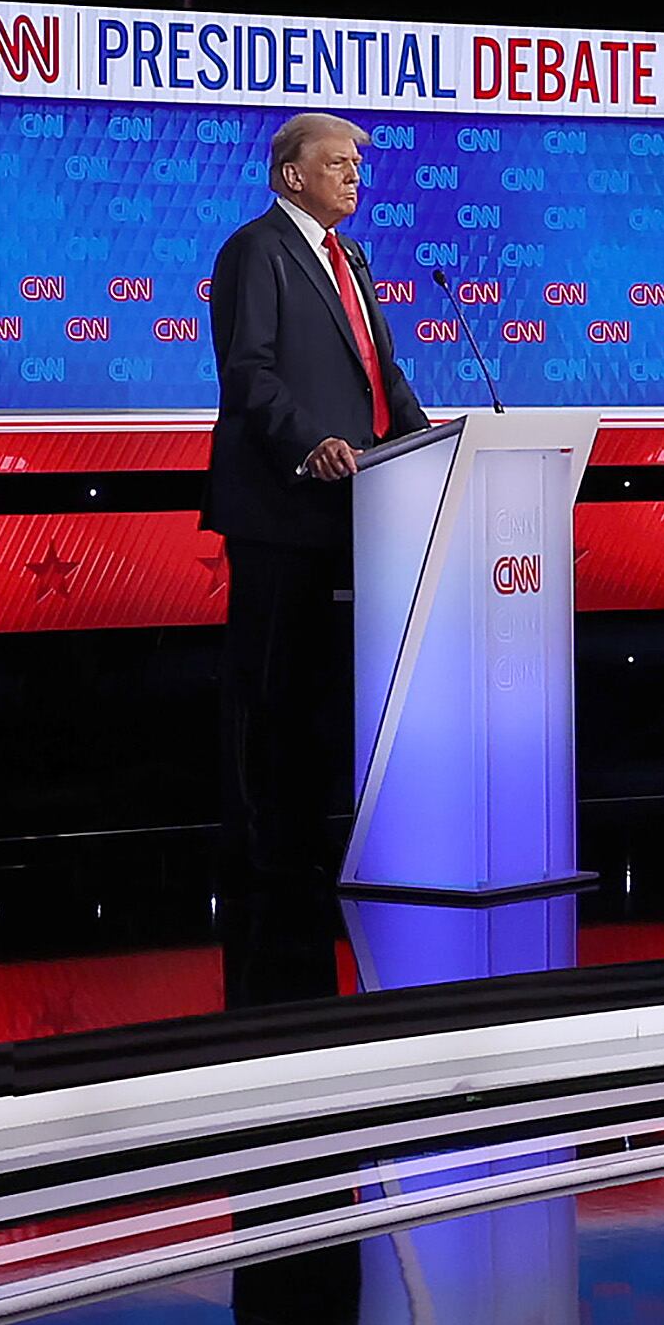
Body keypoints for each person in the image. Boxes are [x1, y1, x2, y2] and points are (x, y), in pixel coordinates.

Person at [204, 112, 430, 877]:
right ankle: (259, 844)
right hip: (280, 505)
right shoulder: (254, 250)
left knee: (322, 687)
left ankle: (314, 835)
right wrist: (310, 444)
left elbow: (380, 374)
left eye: (357, 168)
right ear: (292, 175)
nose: (353, 178)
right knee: (269, 682)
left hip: (354, 506)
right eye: (338, 165)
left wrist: (431, 445)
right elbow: (249, 373)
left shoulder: (351, 257)